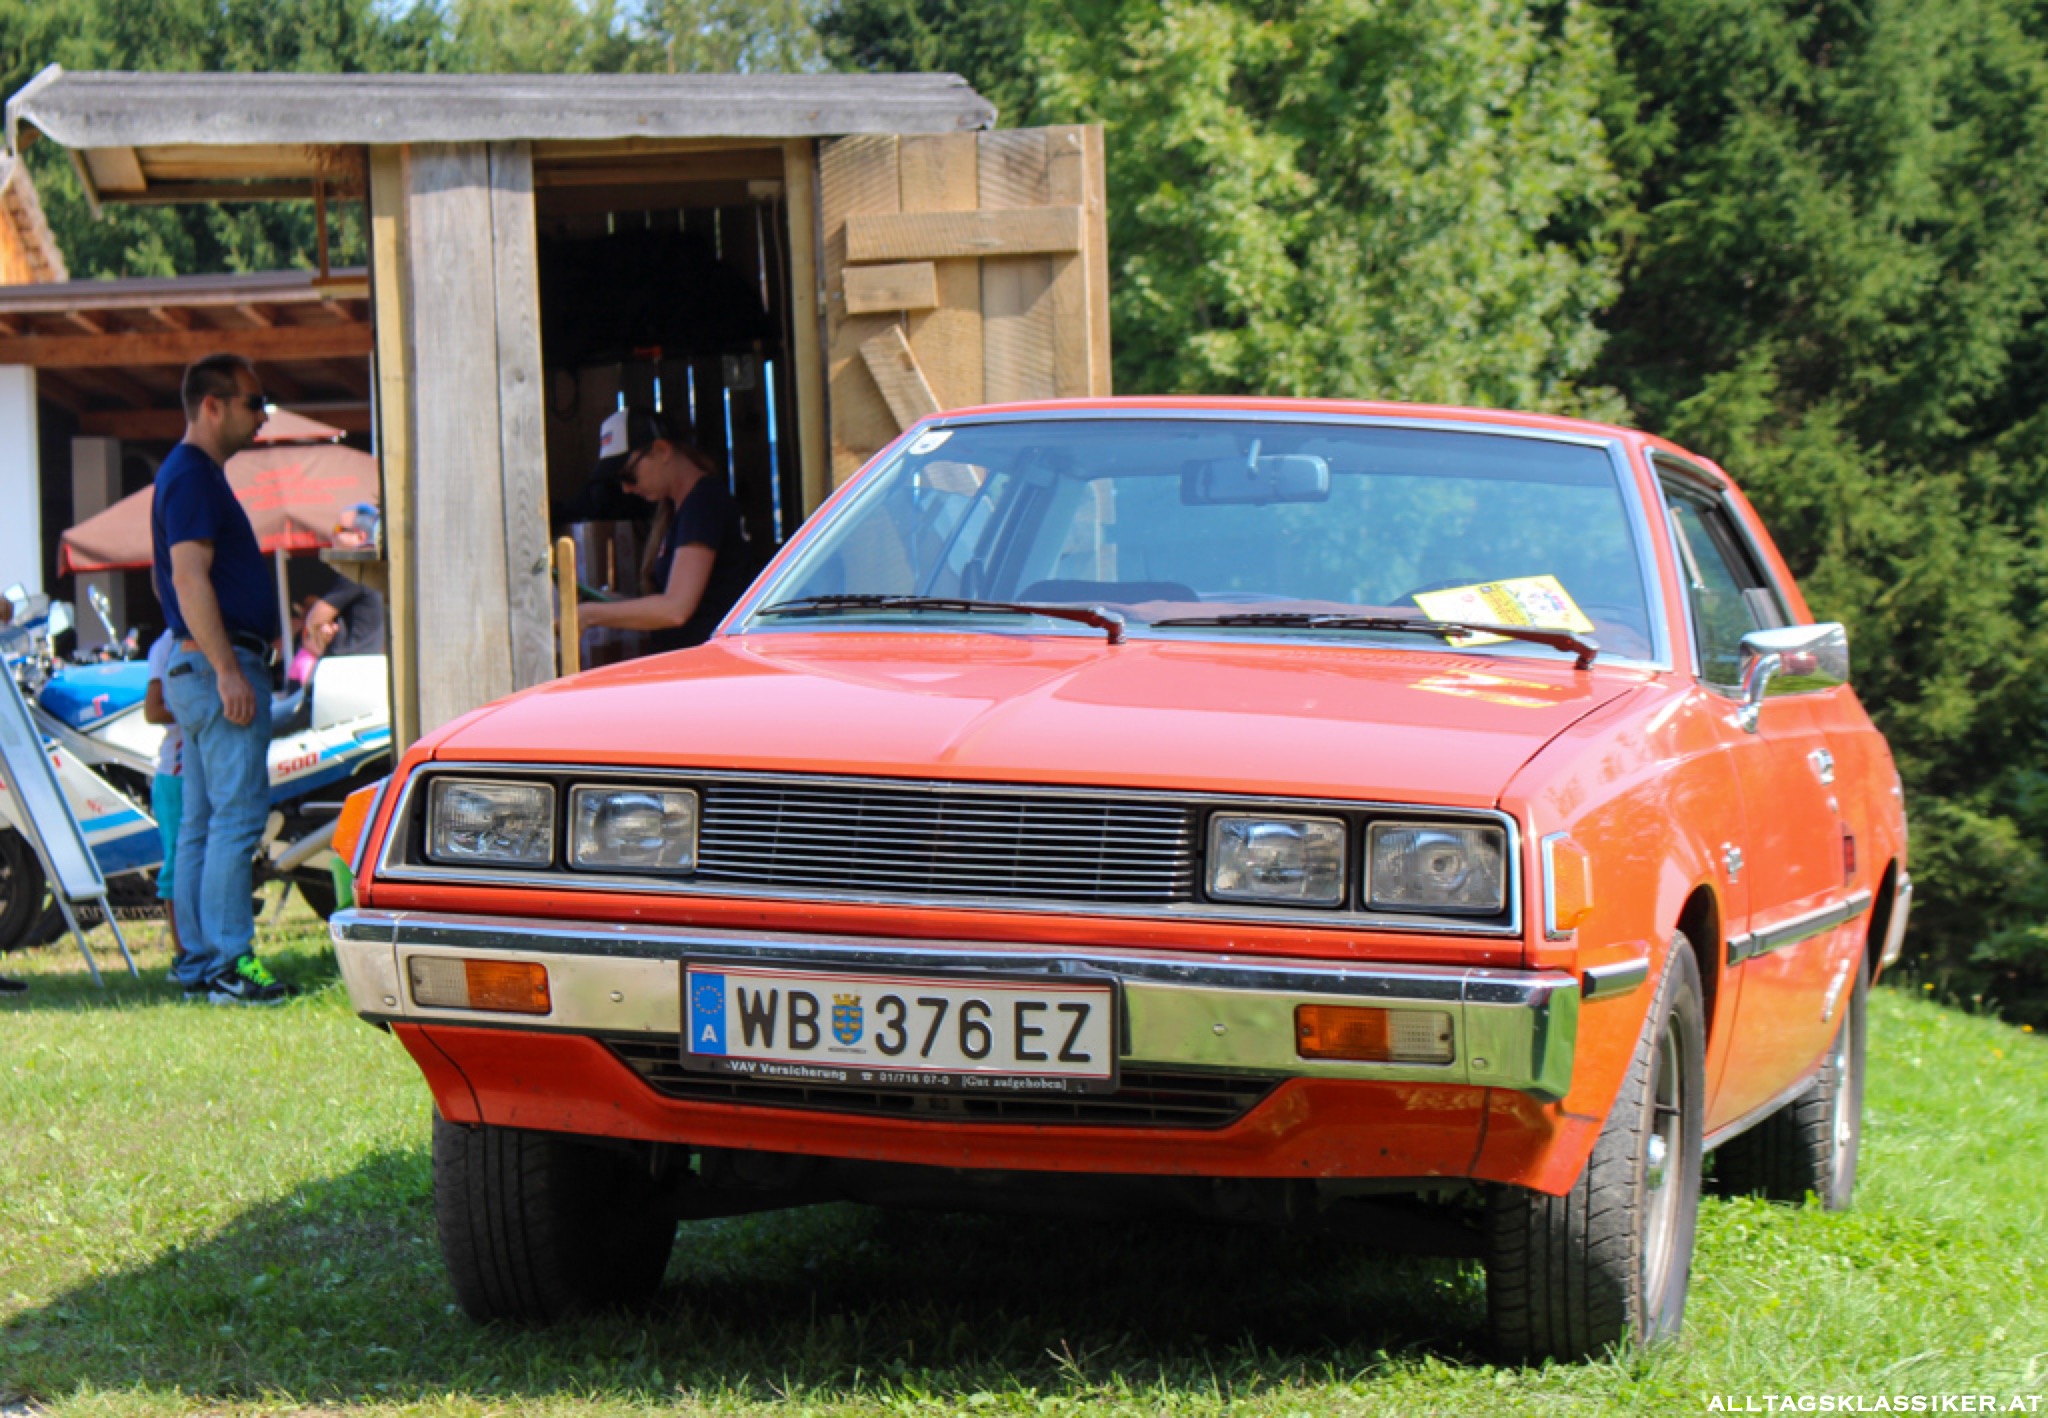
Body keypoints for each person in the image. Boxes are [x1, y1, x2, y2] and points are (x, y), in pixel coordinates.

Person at [153, 352, 290, 1006]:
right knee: (235, 821)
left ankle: (201, 964)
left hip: (198, 667)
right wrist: (229, 669)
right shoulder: (192, 476)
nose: (263, 416)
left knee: (202, 823)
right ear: (212, 405)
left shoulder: (189, 473)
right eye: (253, 402)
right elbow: (188, 577)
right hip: (216, 665)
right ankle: (232, 965)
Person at [577, 408, 750, 653]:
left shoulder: (703, 503)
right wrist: (604, 602)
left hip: (705, 660)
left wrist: (588, 615)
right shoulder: (680, 508)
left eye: (629, 475)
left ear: (662, 450)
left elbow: (675, 610)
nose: (626, 488)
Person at [143, 628, 186, 970]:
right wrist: (199, 713)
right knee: (177, 864)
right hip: (176, 773)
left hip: (201, 769)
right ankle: (184, 954)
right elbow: (153, 710)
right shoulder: (167, 643)